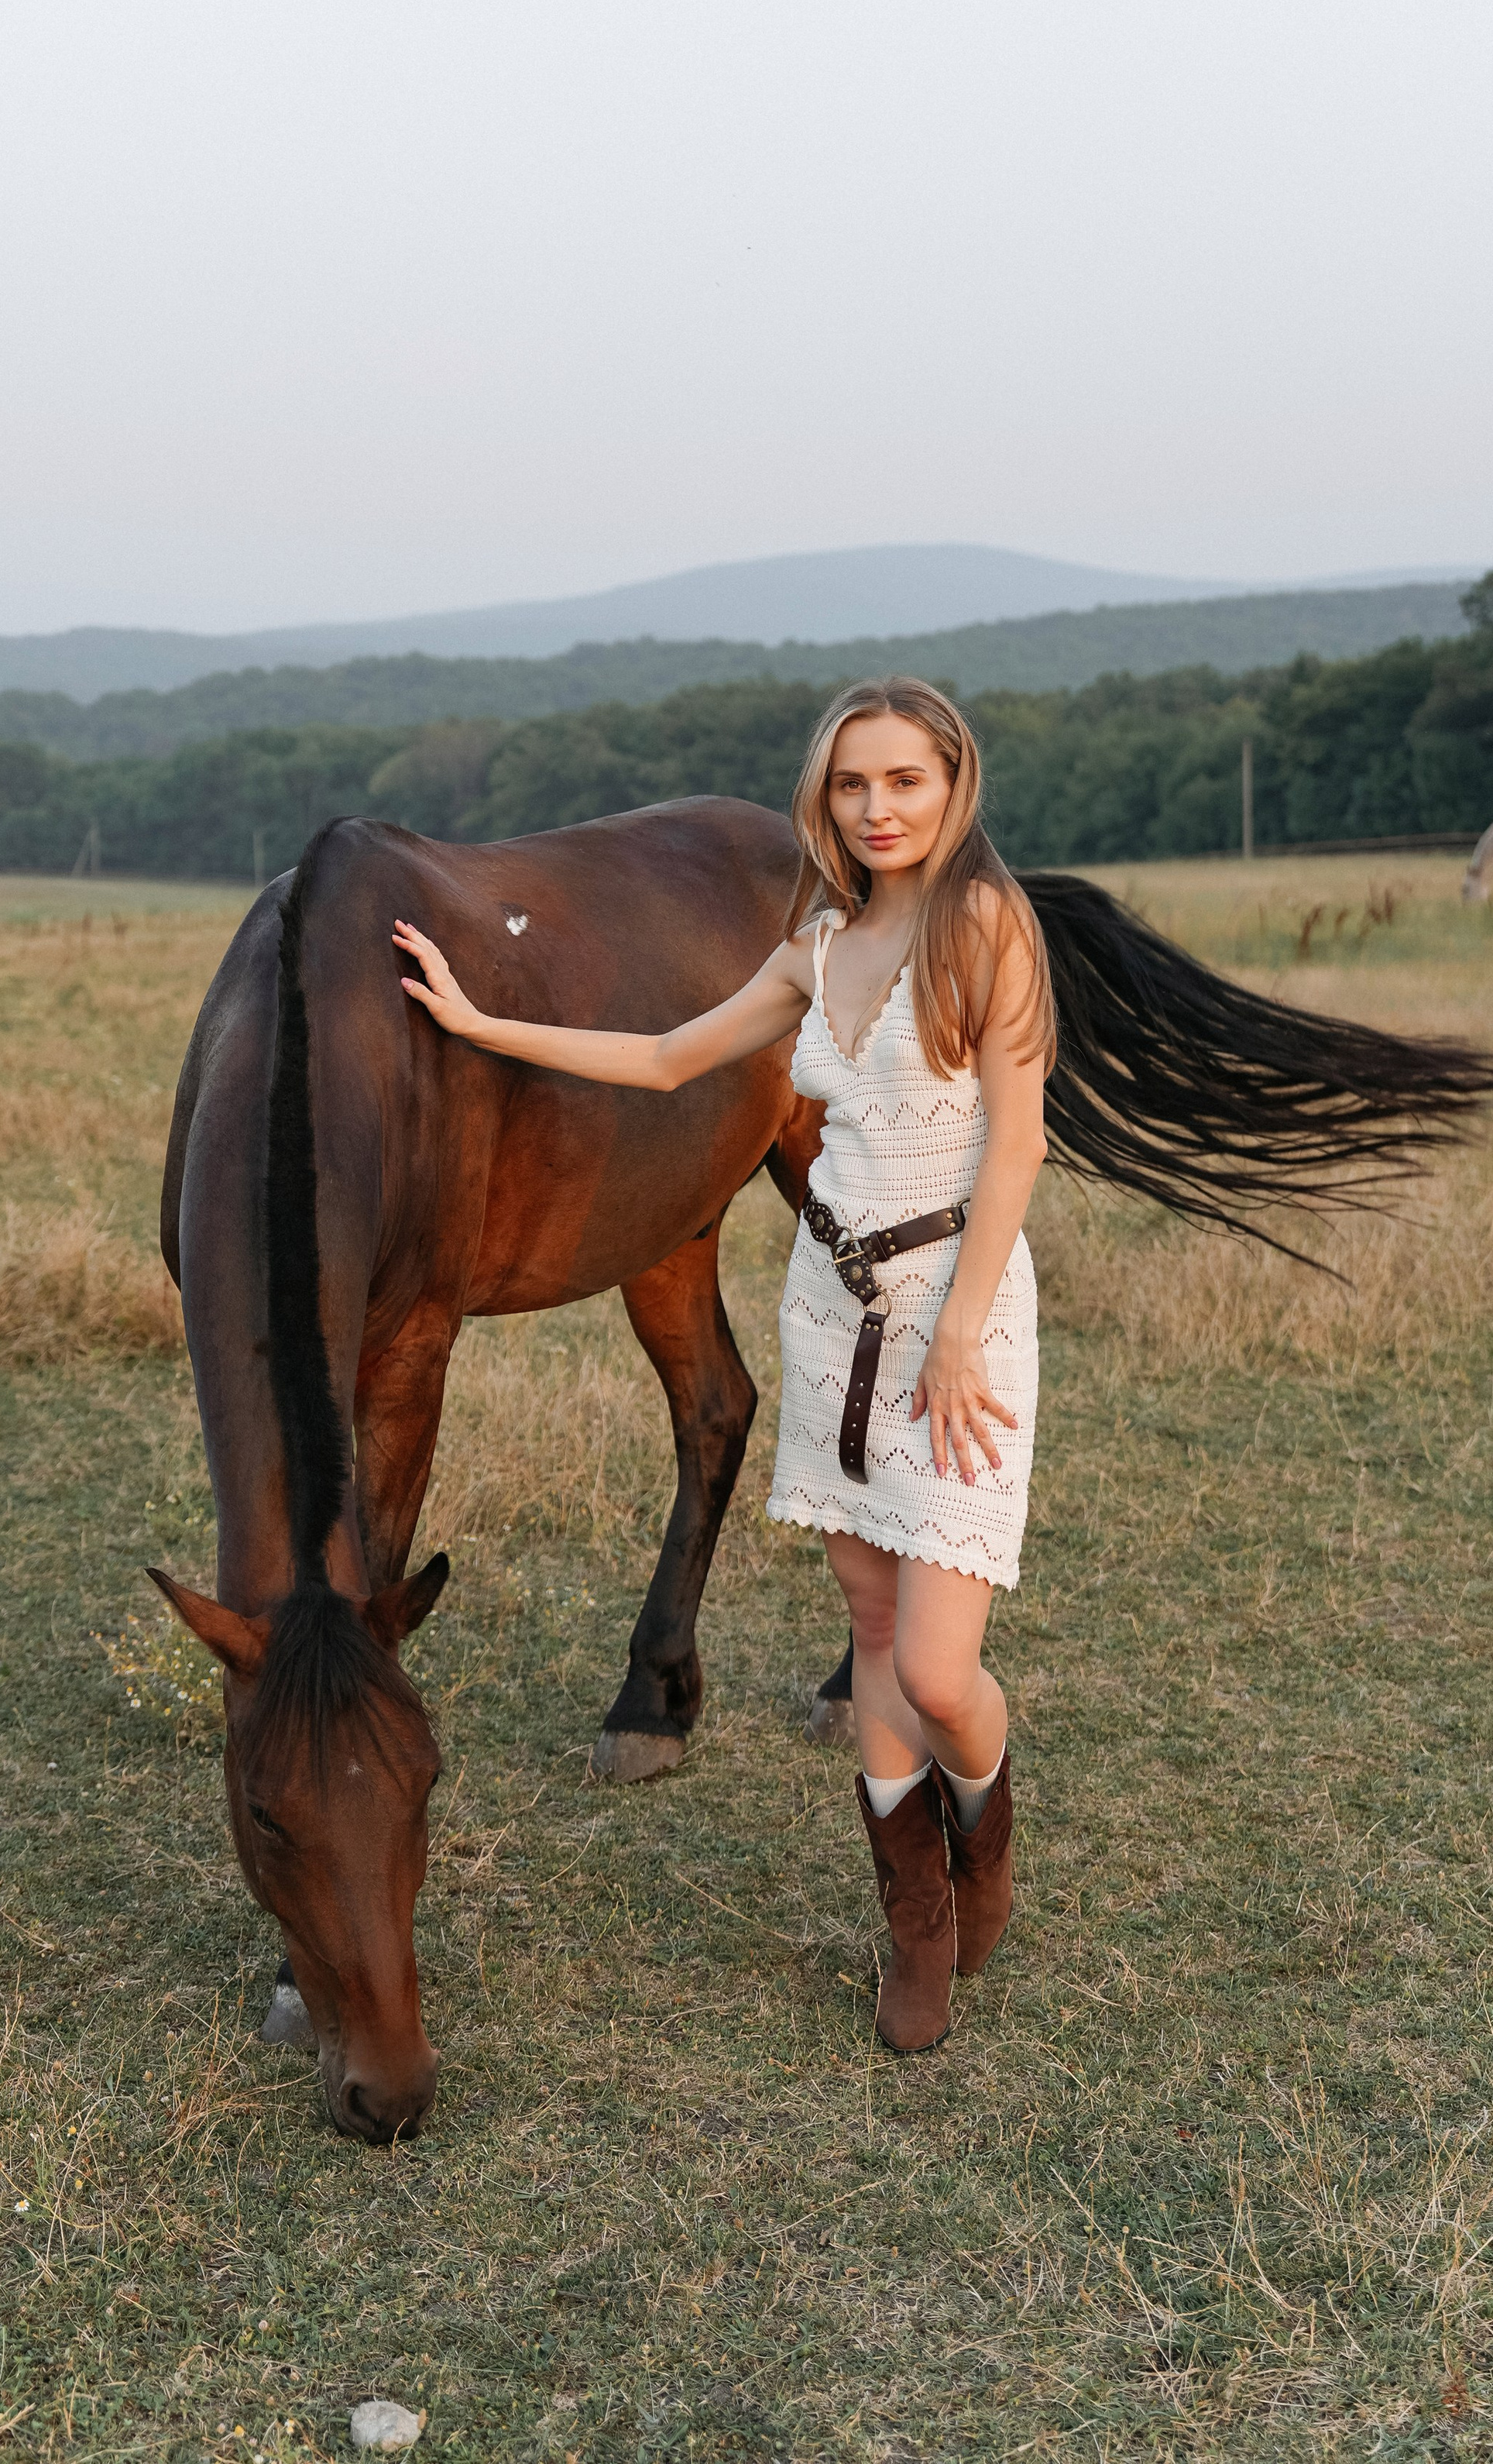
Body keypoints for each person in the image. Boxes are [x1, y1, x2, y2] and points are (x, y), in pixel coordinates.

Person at [392, 675, 1052, 2055]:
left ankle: (984, 1827)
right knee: (874, 1639)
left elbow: (1019, 1145)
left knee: (941, 1670)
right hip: (834, 1312)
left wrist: (957, 1331)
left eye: (905, 782)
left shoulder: (988, 927)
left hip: (954, 1319)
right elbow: (664, 1056)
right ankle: (914, 1927)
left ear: (954, 788)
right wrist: (478, 1024)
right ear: (826, 798)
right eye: (854, 785)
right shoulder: (816, 944)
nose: (879, 809)